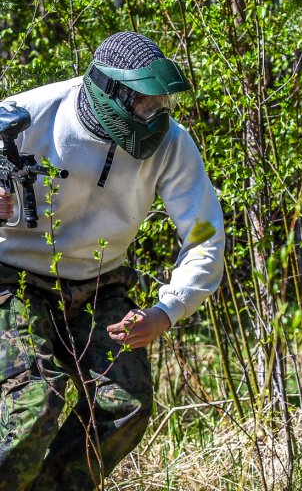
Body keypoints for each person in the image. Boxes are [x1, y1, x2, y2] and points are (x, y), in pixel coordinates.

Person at [0, 32, 224, 490]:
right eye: (145, 104)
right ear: (110, 92)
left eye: (162, 103)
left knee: (127, 407)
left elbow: (205, 236)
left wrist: (167, 310)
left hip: (100, 282)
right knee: (32, 407)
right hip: (12, 278)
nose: (156, 115)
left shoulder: (172, 145)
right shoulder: (22, 118)